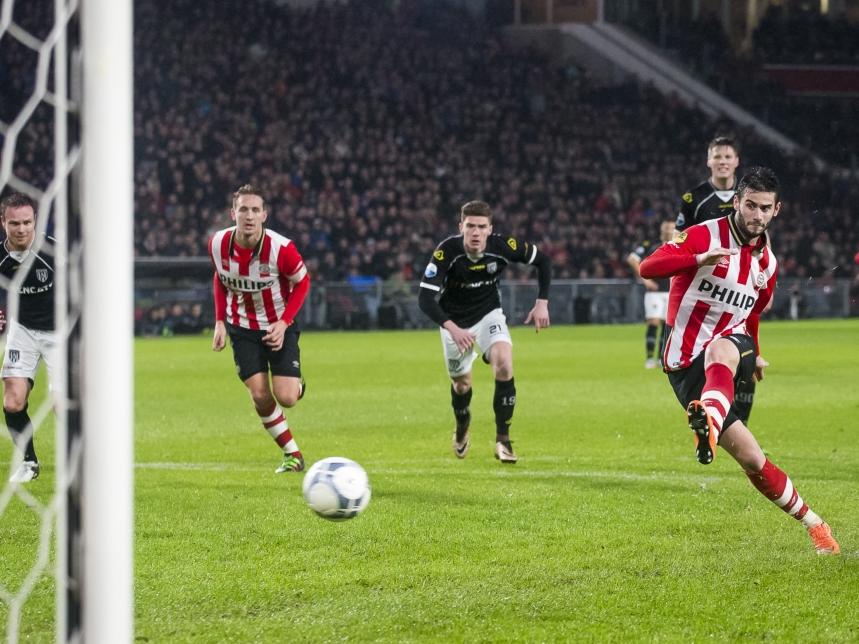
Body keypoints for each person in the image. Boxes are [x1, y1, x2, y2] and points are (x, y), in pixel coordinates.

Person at [640, 167, 840, 555]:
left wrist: (758, 353)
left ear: (776, 210)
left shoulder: (768, 264)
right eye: (750, 205)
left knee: (723, 347)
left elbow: (752, 316)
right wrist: (697, 259)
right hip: (683, 362)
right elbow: (647, 268)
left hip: (730, 350)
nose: (756, 215)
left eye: (765, 208)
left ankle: (707, 422)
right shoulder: (703, 234)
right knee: (752, 459)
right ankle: (815, 523)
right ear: (737, 202)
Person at [418, 200, 551, 464]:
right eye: (470, 226)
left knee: (503, 362)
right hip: (454, 323)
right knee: (462, 384)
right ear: (461, 227)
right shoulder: (447, 252)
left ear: (490, 229)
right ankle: (462, 426)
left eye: (481, 226)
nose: (476, 232)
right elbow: (424, 298)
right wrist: (453, 328)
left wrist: (542, 302)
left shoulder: (502, 247)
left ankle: (503, 441)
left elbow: (543, 261)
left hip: (489, 314)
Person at [209, 184, 310, 473]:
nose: (249, 215)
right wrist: (219, 321)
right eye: (243, 209)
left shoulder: (282, 248)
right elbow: (220, 277)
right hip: (241, 326)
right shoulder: (218, 243)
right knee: (259, 394)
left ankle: (298, 385)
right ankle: (292, 455)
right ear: (233, 213)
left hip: (278, 324)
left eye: (255, 210)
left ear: (264, 215)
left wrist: (284, 322)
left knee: (287, 397)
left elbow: (303, 282)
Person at [676, 135, 756, 423]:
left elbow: (762, 238)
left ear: (737, 161)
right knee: (709, 360)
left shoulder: (750, 197)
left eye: (728, 157)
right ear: (709, 160)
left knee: (745, 359)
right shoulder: (693, 199)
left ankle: (738, 424)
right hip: (705, 290)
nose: (722, 162)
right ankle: (714, 418)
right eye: (717, 156)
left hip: (740, 288)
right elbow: (679, 242)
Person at [0, 193, 56, 483]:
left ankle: (82, 464)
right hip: (22, 330)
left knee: (63, 405)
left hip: (60, 334)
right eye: (14, 223)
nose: (21, 229)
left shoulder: (52, 252)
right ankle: (29, 463)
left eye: (27, 222)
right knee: (12, 402)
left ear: (36, 220)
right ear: (3, 222)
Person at [626, 220, 675, 369]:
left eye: (671, 227)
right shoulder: (650, 245)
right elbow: (632, 259)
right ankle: (649, 358)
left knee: (667, 325)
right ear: (662, 229)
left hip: (672, 292)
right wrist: (644, 280)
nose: (668, 230)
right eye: (666, 227)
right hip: (654, 292)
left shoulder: (680, 245)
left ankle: (661, 358)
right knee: (653, 322)